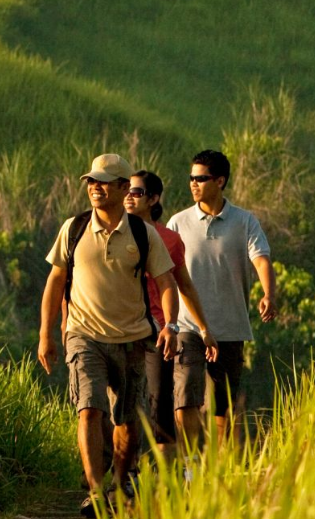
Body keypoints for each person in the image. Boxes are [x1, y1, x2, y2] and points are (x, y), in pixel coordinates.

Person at [38, 153, 179, 518]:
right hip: (83, 335)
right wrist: (47, 335)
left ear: (121, 188)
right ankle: (96, 493)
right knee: (88, 409)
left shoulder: (143, 234)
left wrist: (171, 326)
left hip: (133, 338)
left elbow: (166, 282)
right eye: (90, 182)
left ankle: (119, 480)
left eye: (103, 182)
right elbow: (55, 281)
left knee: (127, 422)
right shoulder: (73, 228)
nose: (95, 188)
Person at [166, 150, 277, 448]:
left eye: (201, 178)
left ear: (220, 181)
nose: (193, 184)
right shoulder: (178, 222)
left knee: (223, 404)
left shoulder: (244, 221)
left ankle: (218, 468)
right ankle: (189, 465)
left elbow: (262, 259)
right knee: (185, 394)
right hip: (188, 325)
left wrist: (269, 293)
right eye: (191, 178)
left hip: (229, 326)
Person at [123, 170, 218, 459]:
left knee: (158, 405)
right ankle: (119, 474)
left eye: (137, 192)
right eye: (126, 190)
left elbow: (184, 285)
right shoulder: (111, 233)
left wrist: (202, 328)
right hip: (118, 328)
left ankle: (162, 479)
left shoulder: (169, 239)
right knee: (121, 405)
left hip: (157, 332)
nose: (129, 196)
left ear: (153, 199)